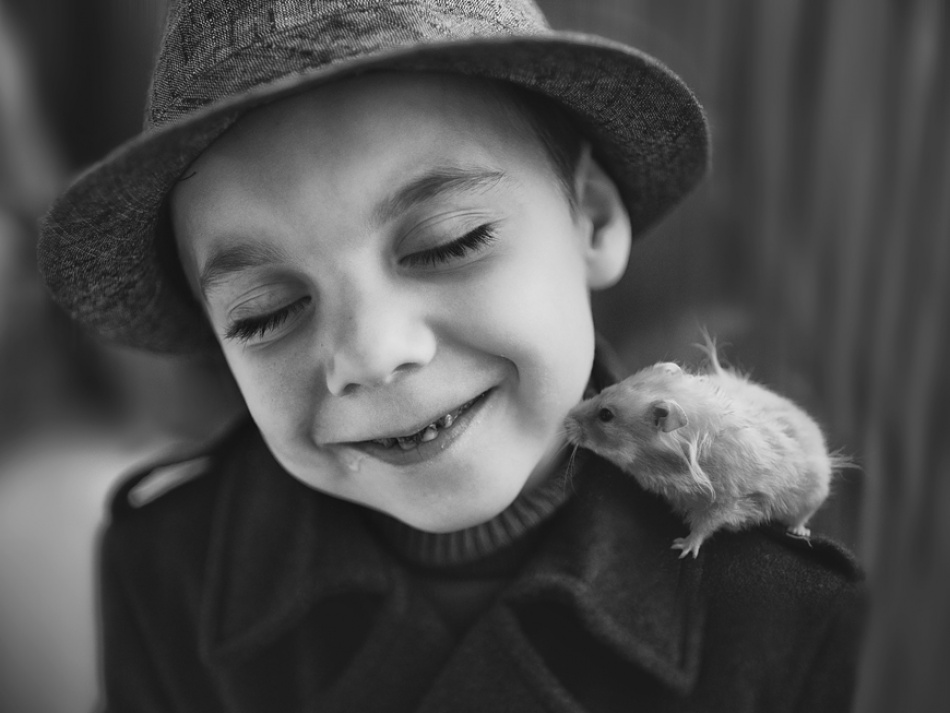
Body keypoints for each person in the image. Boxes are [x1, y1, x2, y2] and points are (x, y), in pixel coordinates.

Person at [38, 1, 865, 710]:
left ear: (592, 219)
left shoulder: (773, 607)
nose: (373, 354)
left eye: (448, 242)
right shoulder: (168, 573)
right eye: (266, 313)